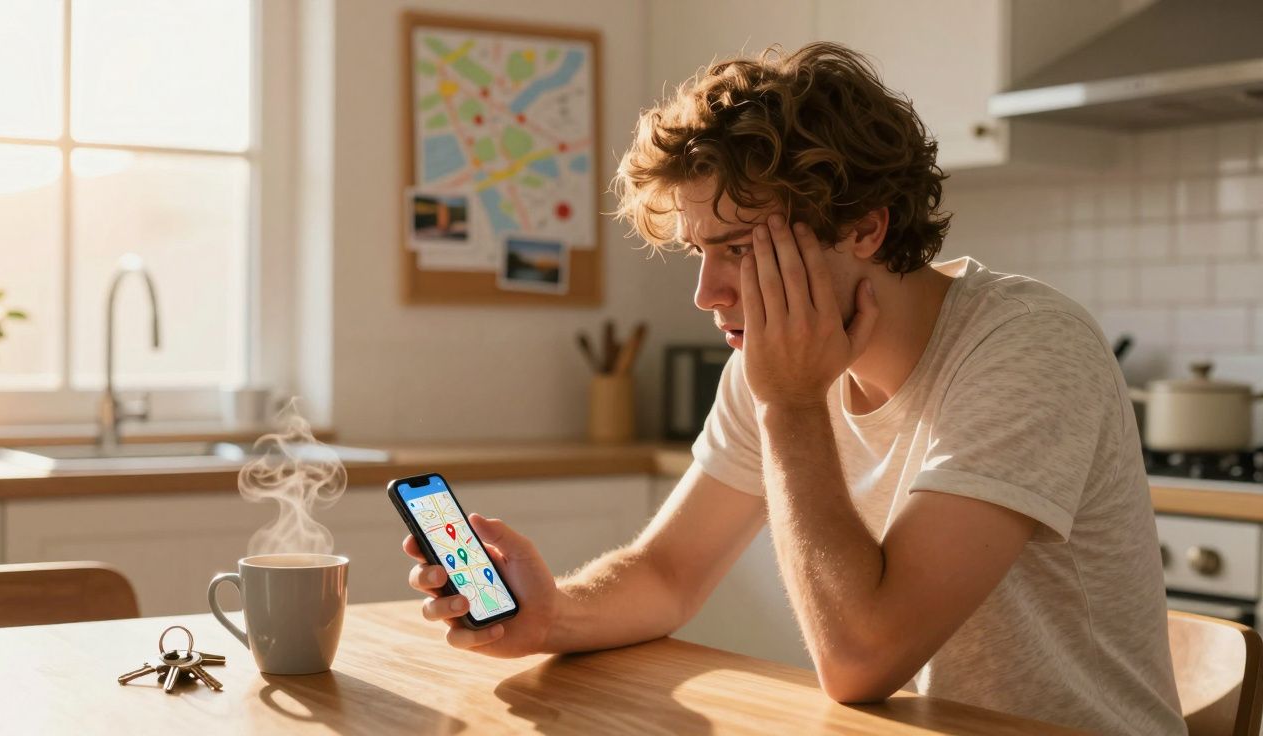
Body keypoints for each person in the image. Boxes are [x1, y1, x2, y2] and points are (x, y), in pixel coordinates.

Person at [401, 41, 1185, 735]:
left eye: (741, 248)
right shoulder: (773, 364)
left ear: (865, 230)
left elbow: (860, 660)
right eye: (699, 252)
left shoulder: (1025, 346)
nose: (708, 293)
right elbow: (670, 574)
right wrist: (552, 613)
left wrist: (791, 405)